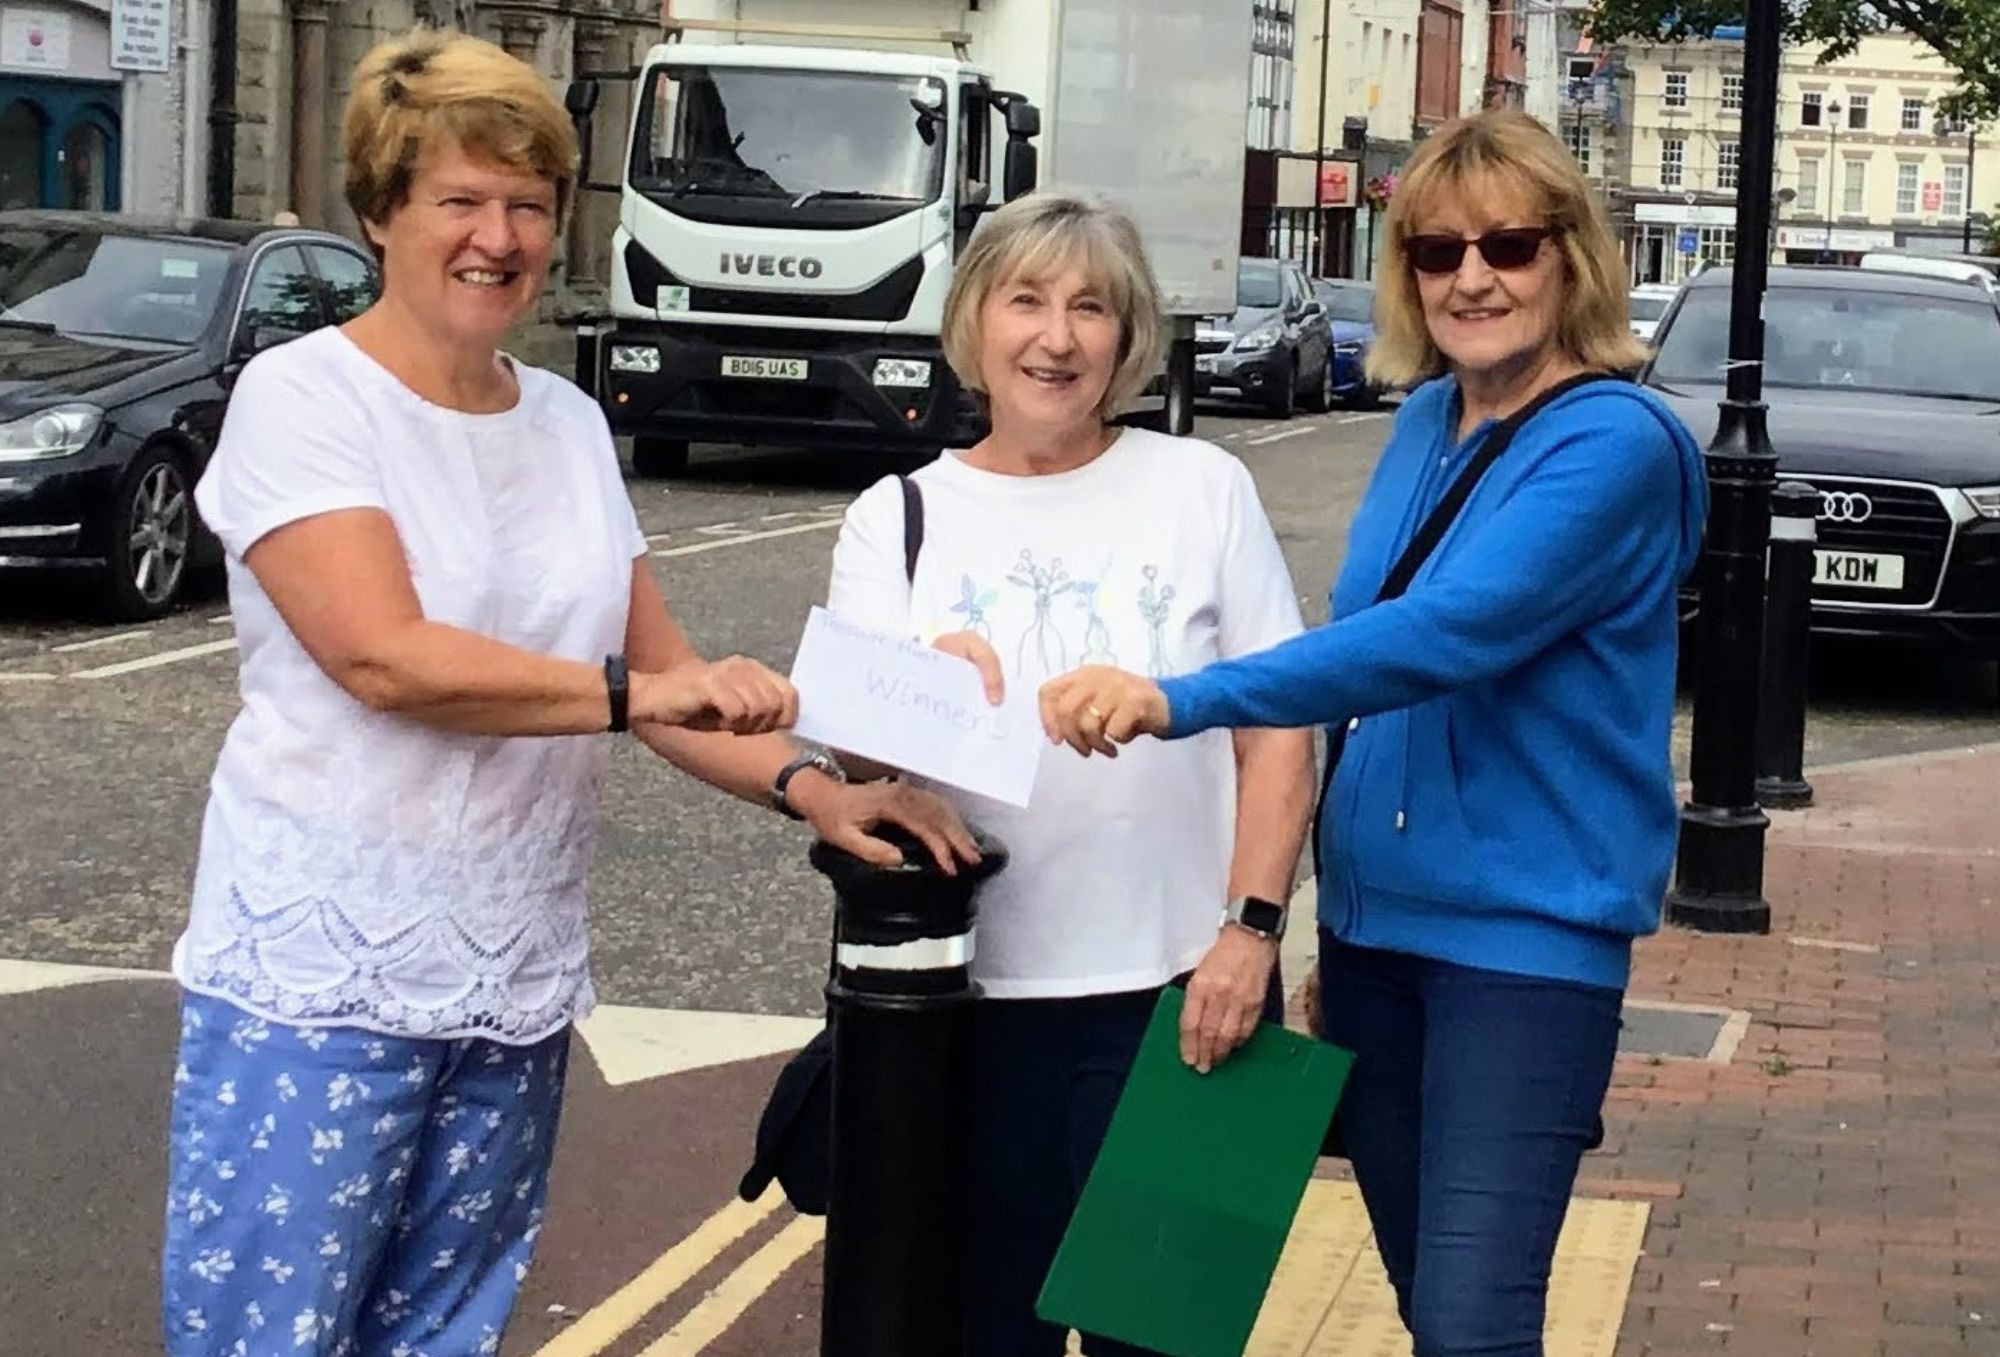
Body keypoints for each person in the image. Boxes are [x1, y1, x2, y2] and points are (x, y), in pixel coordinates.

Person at [161, 29, 974, 1357]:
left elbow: (667, 680)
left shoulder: (568, 422)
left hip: (509, 971)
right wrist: (641, 687)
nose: (499, 236)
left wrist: (819, 786)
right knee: (273, 1335)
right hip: (325, 972)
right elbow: (384, 656)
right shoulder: (304, 398)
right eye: (459, 202)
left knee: (445, 1333)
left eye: (529, 205)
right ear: (381, 214)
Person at [1042, 109, 1707, 1357]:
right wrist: (1309, 915)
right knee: (1421, 1301)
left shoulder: (1616, 445)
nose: (1472, 277)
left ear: (1569, 258)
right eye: (1434, 250)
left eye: (1508, 245)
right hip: (1369, 941)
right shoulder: (1418, 424)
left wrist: (1180, 696)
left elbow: (1440, 636)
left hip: (1522, 953)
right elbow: (1376, 656)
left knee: (1471, 1321)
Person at [824, 191, 1316, 1357]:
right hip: (965, 1020)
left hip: (1187, 1010)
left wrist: (1250, 933)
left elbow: (1281, 729)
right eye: (1026, 301)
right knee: (979, 1337)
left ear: (1126, 333)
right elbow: (858, 756)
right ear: (973, 325)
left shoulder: (1203, 487)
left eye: (1089, 306)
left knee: (1172, 1341)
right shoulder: (896, 517)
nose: (1056, 336)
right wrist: (929, 680)